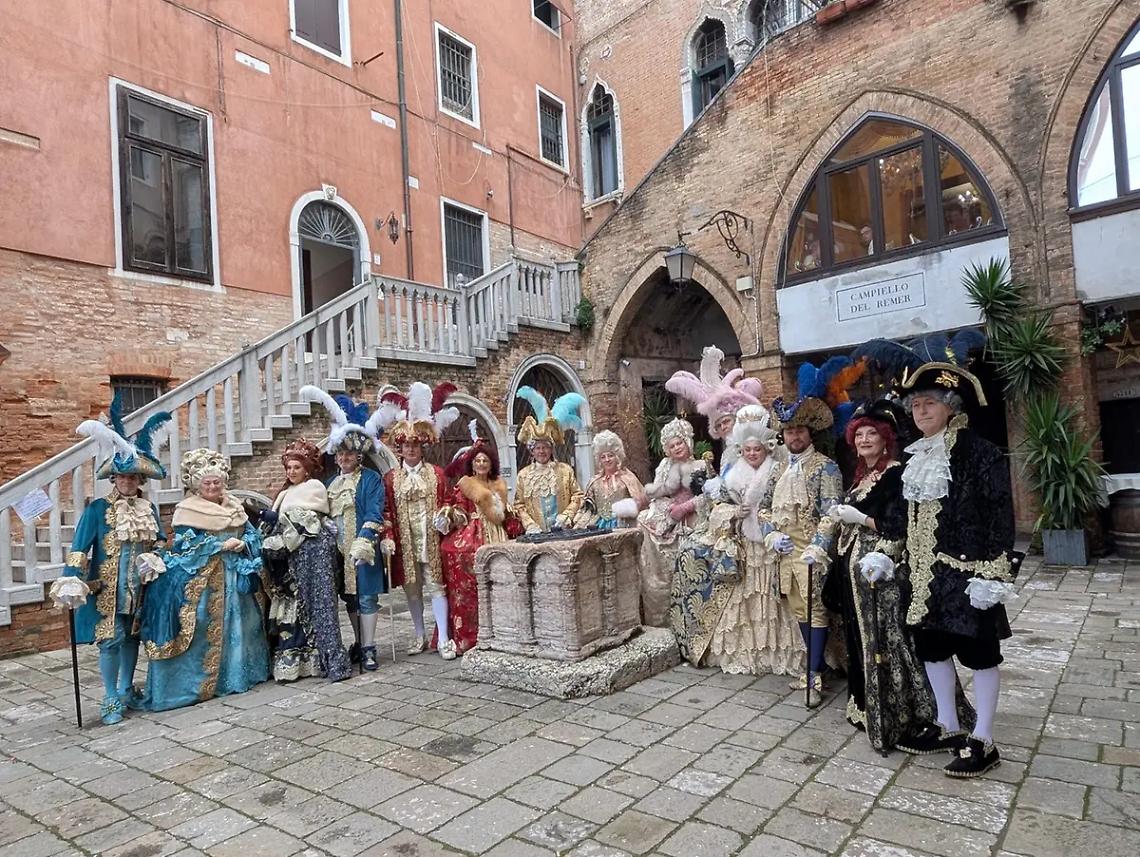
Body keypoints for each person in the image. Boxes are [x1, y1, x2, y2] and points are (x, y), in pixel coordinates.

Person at [891, 362, 1020, 777]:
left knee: (980, 653)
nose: (921, 412)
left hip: (968, 574)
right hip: (926, 575)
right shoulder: (917, 454)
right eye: (915, 406)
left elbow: (1000, 514)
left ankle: (983, 737)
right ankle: (947, 723)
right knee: (931, 647)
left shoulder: (978, 451)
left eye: (930, 404)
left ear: (950, 406)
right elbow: (907, 517)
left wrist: (995, 573)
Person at [827, 399, 975, 753]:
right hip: (856, 575)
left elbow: (898, 525)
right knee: (863, 641)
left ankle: (908, 716)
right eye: (859, 434)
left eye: (871, 434)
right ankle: (868, 708)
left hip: (882, 573)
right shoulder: (862, 475)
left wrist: (858, 519)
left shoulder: (895, 474)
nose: (864, 440)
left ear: (885, 439)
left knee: (890, 644)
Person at [48, 393, 169, 725]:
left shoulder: (150, 509)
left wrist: (156, 558)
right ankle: (110, 696)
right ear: (113, 479)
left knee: (133, 637)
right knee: (110, 641)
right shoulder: (98, 510)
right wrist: (71, 576)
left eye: (133, 477)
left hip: (140, 588)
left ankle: (128, 687)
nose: (127, 482)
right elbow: (79, 547)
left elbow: (158, 540)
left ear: (140, 480)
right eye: (122, 477)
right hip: (107, 589)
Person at [138, 449, 269, 711]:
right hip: (206, 580)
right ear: (197, 486)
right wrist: (218, 546)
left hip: (236, 576)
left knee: (244, 624)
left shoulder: (235, 507)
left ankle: (239, 674)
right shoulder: (188, 510)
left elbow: (253, 535)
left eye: (216, 482)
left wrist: (245, 543)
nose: (212, 487)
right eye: (207, 483)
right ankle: (204, 683)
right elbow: (186, 545)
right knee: (200, 625)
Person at [706, 406, 803, 676]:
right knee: (747, 596)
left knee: (775, 598)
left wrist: (770, 521)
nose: (751, 454)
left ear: (766, 449)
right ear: (741, 450)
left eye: (756, 450)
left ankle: (778, 650)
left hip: (771, 543)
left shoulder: (780, 470)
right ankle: (751, 649)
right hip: (746, 546)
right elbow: (716, 508)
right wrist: (734, 513)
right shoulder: (732, 473)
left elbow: (787, 505)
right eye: (747, 450)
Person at [301, 385, 393, 671]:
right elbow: (324, 512)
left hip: (363, 547)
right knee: (349, 599)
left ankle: (369, 648)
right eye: (340, 455)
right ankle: (357, 642)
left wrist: (364, 541)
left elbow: (375, 511)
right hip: (338, 552)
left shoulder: (371, 480)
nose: (344, 459)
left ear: (358, 456)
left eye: (349, 455)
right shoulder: (331, 484)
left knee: (366, 597)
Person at [762, 385, 843, 707]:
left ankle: (814, 675)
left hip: (811, 552)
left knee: (817, 609)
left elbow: (832, 510)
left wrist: (819, 547)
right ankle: (816, 664)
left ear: (809, 433)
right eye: (790, 431)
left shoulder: (826, 467)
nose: (794, 436)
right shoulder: (779, 468)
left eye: (799, 430)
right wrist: (769, 533)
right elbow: (765, 506)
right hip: (784, 551)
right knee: (799, 610)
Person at [261, 438, 352, 683]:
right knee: (299, 608)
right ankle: (306, 661)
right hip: (294, 555)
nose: (291, 472)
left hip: (315, 552)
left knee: (322, 605)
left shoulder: (315, 488)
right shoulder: (284, 493)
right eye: (288, 468)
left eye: (296, 468)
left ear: (307, 469)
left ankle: (333, 661)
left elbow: (306, 521)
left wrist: (277, 526)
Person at [381, 382, 460, 659]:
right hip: (406, 542)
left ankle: (444, 638)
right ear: (400, 449)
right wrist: (388, 539)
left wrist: (445, 517)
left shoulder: (437, 474)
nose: (411, 450)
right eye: (406, 446)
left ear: (421, 447)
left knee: (437, 587)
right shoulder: (391, 479)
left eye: (415, 445)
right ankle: (418, 635)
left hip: (431, 540)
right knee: (412, 591)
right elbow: (387, 513)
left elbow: (449, 501)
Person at [434, 423, 518, 654]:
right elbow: (457, 508)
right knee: (470, 587)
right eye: (477, 461)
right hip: (473, 534)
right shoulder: (465, 486)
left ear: (491, 464)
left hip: (497, 534)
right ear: (471, 464)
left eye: (485, 461)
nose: (481, 464)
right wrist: (454, 516)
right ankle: (469, 636)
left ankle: (503, 629)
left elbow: (505, 511)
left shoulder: (498, 485)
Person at [636, 417, 710, 628]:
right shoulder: (665, 466)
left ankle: (694, 621)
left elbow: (707, 496)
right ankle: (660, 616)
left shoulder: (700, 465)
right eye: (672, 445)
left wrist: (684, 508)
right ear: (667, 449)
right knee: (643, 523)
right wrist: (665, 509)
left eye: (680, 443)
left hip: (692, 519)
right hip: (667, 518)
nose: (677, 447)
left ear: (688, 442)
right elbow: (658, 492)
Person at [665, 344, 763, 477]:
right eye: (718, 425)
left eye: (726, 421)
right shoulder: (727, 454)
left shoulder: (752, 446)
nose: (723, 427)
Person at [512, 387, 586, 533]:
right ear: (532, 451)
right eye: (538, 448)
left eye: (545, 447)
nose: (542, 451)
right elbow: (519, 504)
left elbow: (578, 496)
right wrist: (529, 524)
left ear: (551, 449)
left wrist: (567, 516)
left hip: (564, 532)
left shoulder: (565, 471)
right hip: (536, 535)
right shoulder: (523, 475)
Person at [572, 431, 645, 530]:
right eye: (603, 457)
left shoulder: (628, 478)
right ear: (599, 460)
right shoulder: (594, 482)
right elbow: (588, 508)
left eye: (610, 455)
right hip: (600, 526)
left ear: (617, 456)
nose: (607, 460)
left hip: (624, 525)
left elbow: (640, 502)